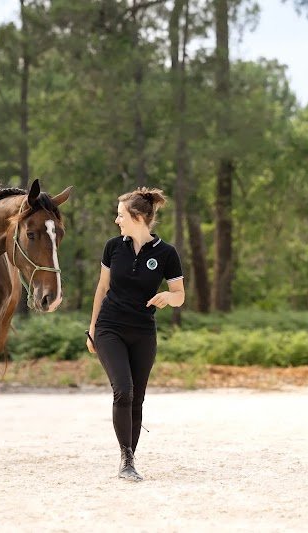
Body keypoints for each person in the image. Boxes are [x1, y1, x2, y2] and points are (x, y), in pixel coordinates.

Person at [87, 187, 185, 482]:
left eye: (120, 215)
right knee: (124, 390)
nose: (117, 221)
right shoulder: (113, 247)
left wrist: (168, 297)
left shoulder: (167, 254)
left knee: (137, 397)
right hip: (109, 328)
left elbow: (180, 295)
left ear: (138, 217)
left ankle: (131, 457)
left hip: (143, 332)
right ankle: (126, 458)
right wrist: (92, 329)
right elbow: (102, 288)